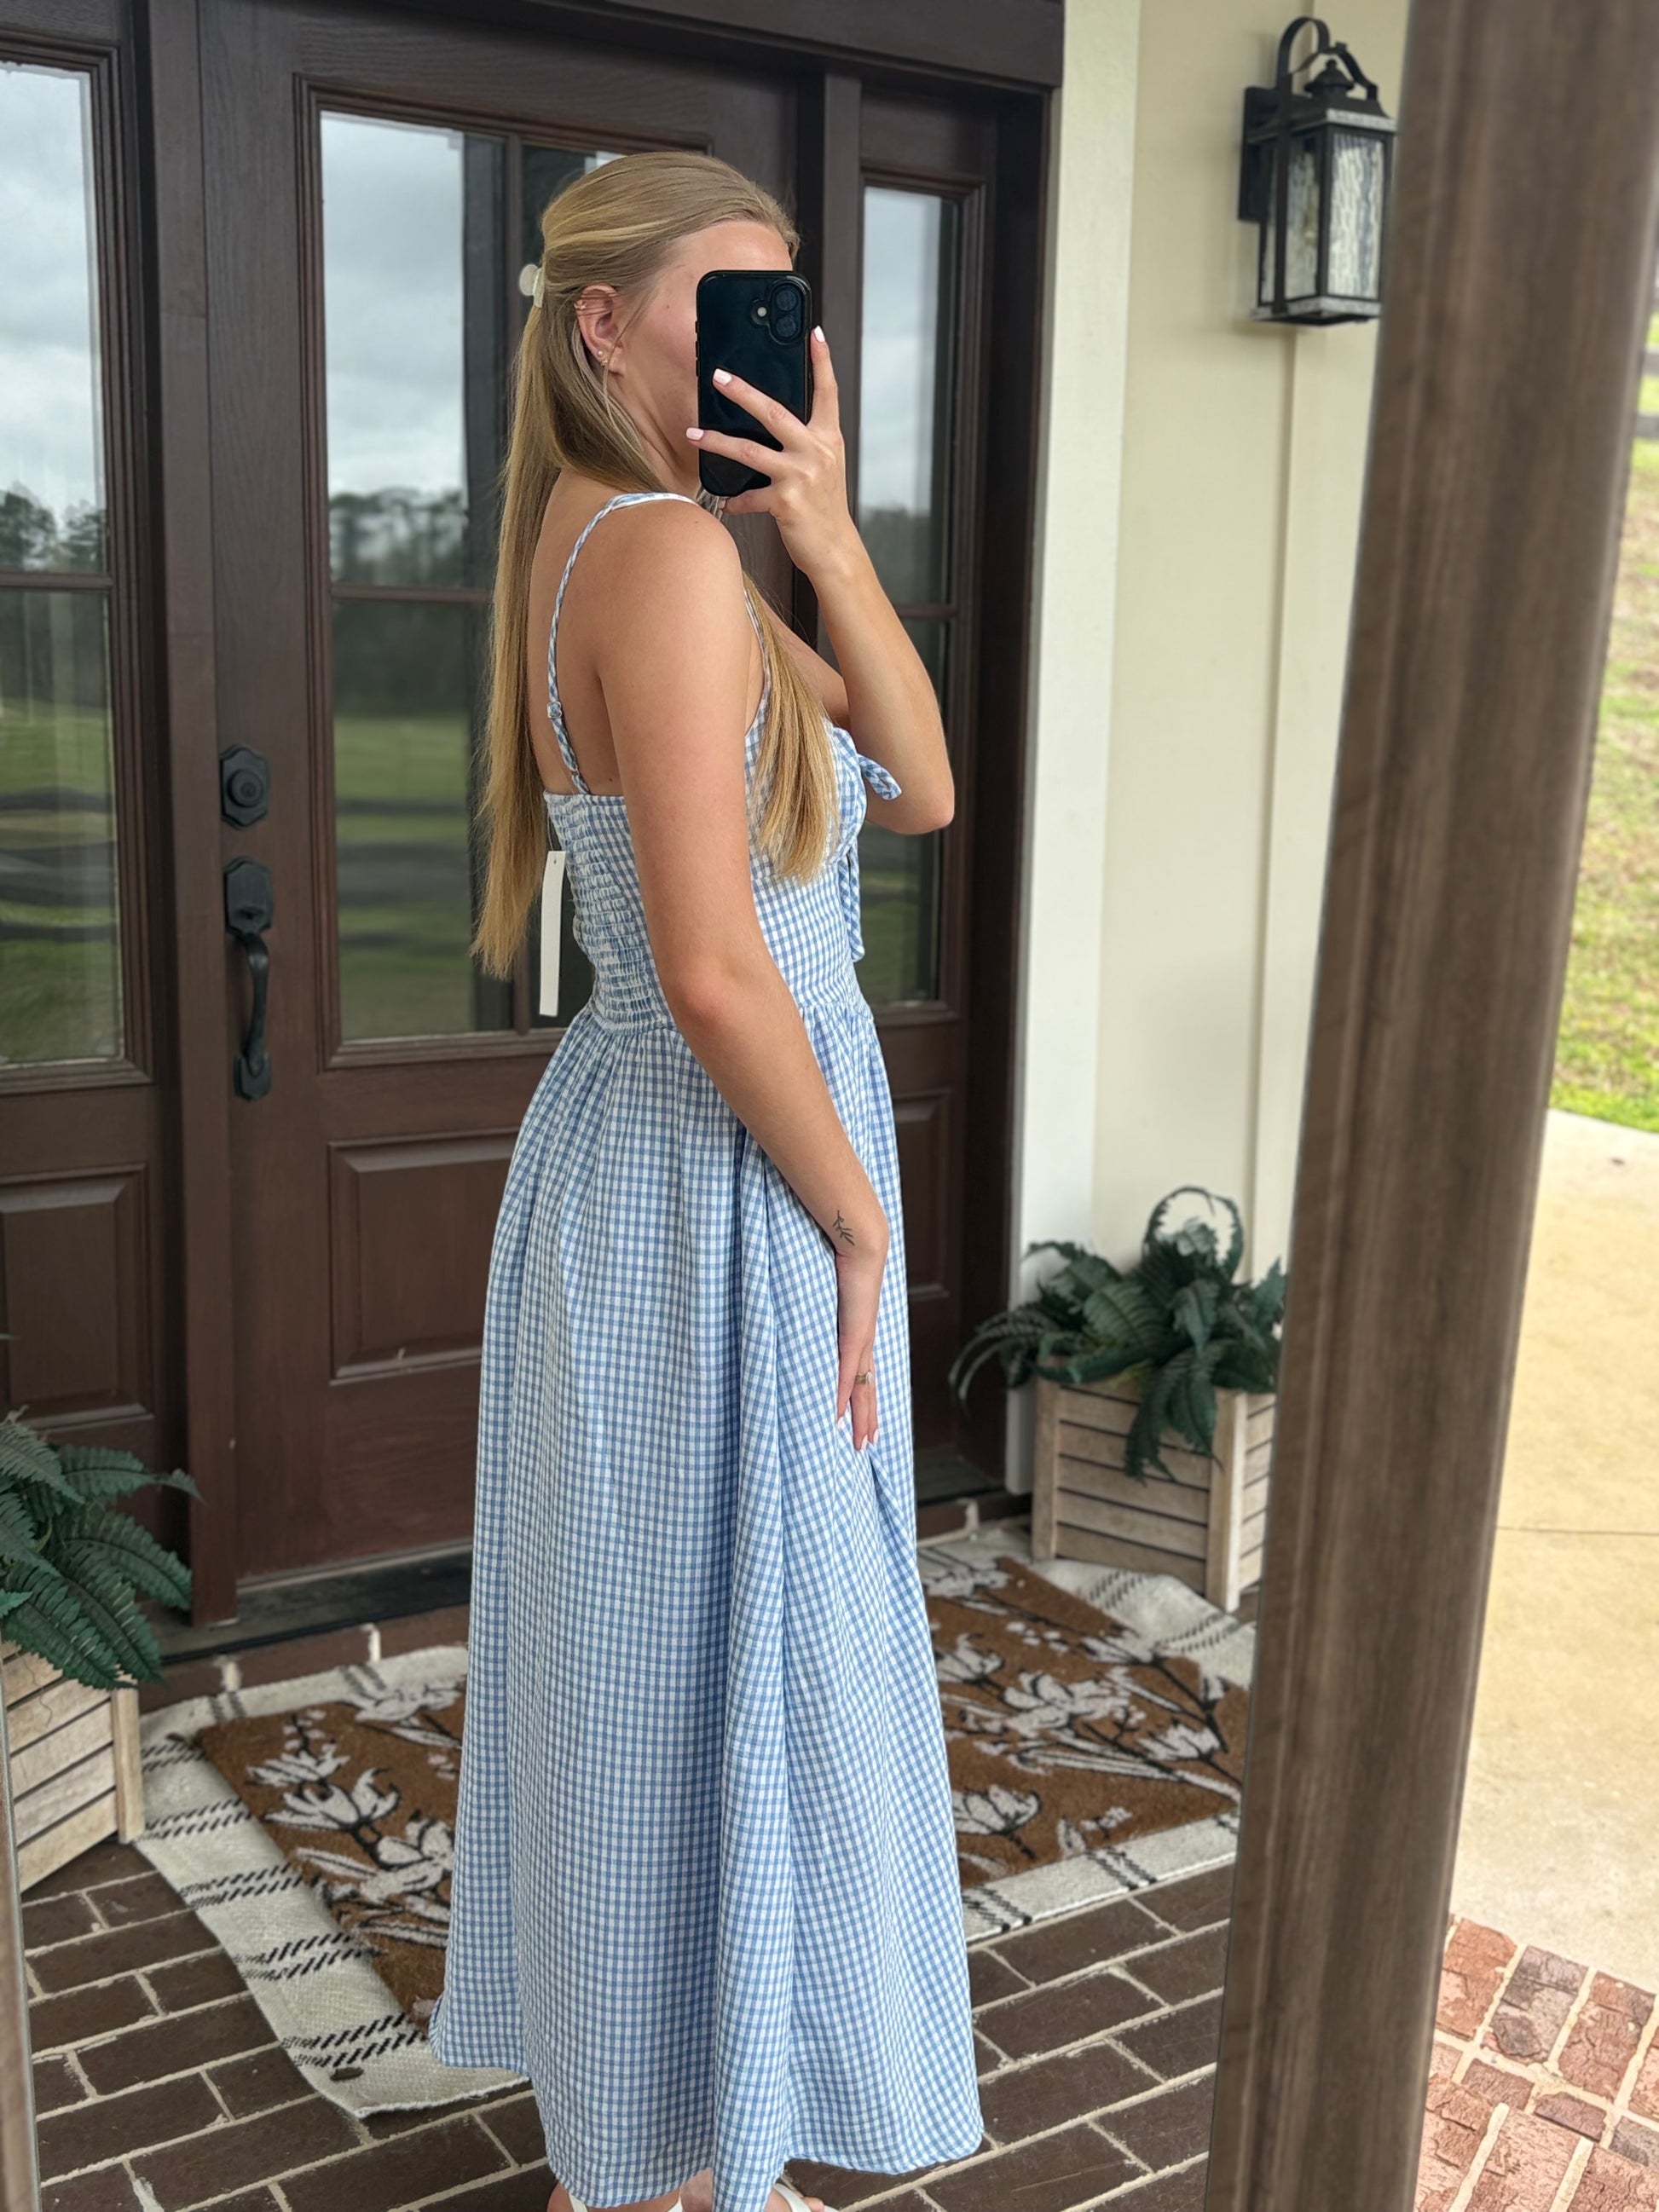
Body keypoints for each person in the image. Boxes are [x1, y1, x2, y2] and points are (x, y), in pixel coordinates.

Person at [425, 147, 983, 2212]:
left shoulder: (646, 540)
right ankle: (678, 2157)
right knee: (736, 1662)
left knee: (665, 1663)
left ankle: (658, 2148)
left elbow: (920, 783)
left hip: (673, 1162)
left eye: (788, 301)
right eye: (726, 299)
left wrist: (821, 529)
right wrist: (860, 1216)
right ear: (601, 323)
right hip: (720, 1173)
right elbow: (715, 968)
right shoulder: (652, 549)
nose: (775, 338)